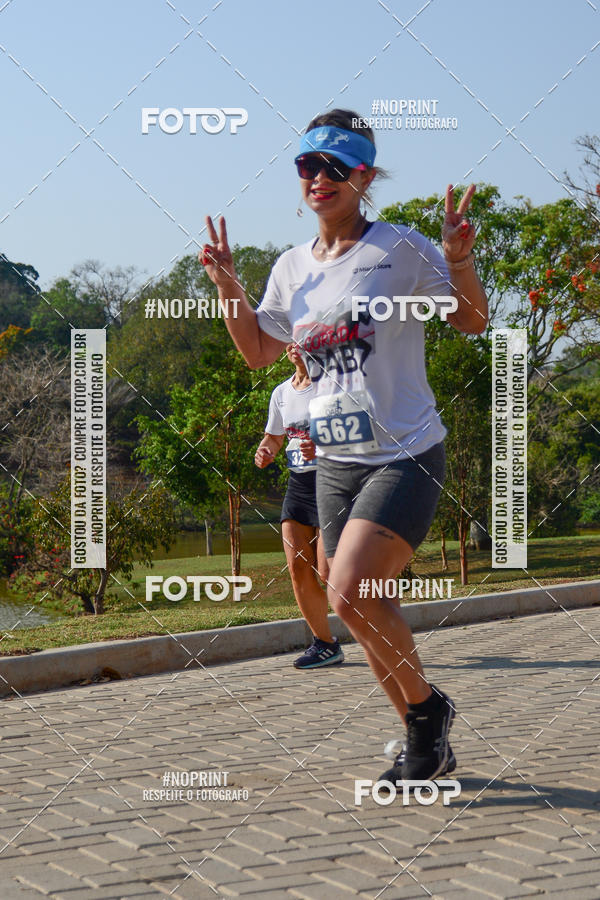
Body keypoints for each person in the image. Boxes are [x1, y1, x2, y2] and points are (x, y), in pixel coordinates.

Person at [200, 108, 488, 785]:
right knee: (349, 599)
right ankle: (426, 729)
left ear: (364, 176)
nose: (319, 178)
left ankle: (426, 721)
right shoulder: (291, 266)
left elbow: (472, 322)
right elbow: (257, 353)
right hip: (334, 457)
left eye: (336, 167)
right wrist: (228, 291)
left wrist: (459, 260)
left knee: (353, 590)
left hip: (406, 451)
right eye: (308, 165)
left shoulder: (401, 248)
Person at [255, 342, 343, 669]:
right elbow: (275, 437)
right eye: (289, 340)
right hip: (298, 485)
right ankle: (325, 643)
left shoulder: (333, 385)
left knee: (328, 571)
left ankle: (378, 620)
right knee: (297, 568)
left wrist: (321, 445)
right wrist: (266, 451)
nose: (293, 346)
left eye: (302, 339)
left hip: (332, 481)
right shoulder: (280, 392)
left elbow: (355, 431)